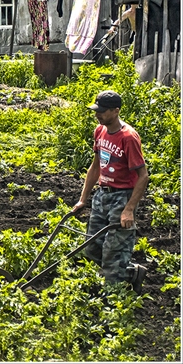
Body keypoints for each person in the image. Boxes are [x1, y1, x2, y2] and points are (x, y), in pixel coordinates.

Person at [72, 90, 149, 293]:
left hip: (122, 197)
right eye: (97, 110)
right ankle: (129, 273)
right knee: (92, 247)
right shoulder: (100, 131)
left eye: (103, 111)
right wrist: (83, 199)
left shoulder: (128, 138)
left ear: (116, 111)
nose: (98, 114)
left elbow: (143, 176)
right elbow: (95, 166)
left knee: (113, 251)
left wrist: (129, 209)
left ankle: (114, 295)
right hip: (102, 194)